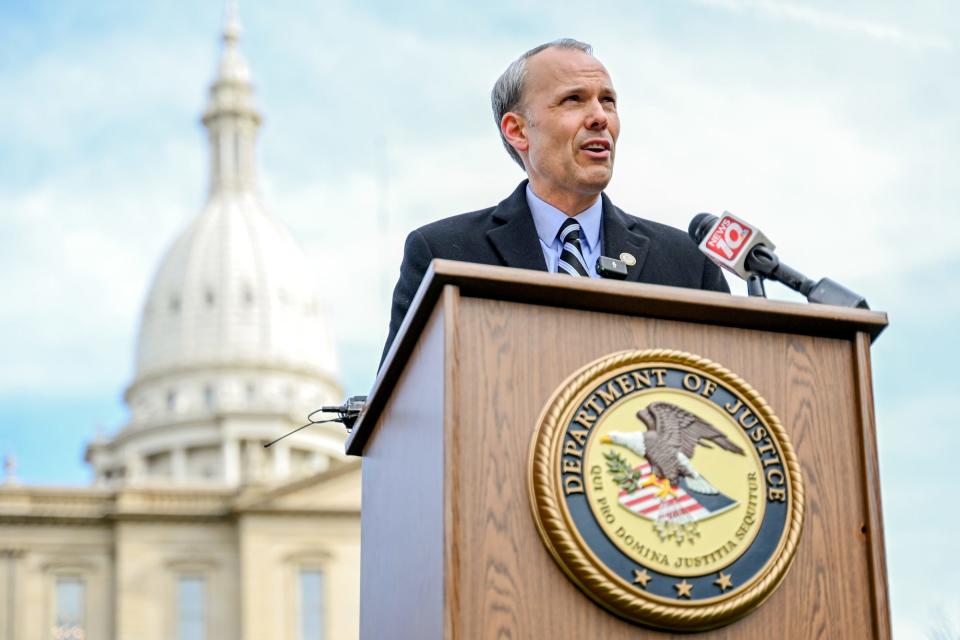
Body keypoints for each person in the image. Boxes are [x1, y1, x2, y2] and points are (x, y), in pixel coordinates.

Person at [380, 38, 728, 363]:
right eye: (573, 99)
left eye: (607, 101)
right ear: (517, 130)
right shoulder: (443, 252)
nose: (600, 117)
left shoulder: (688, 263)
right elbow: (403, 410)